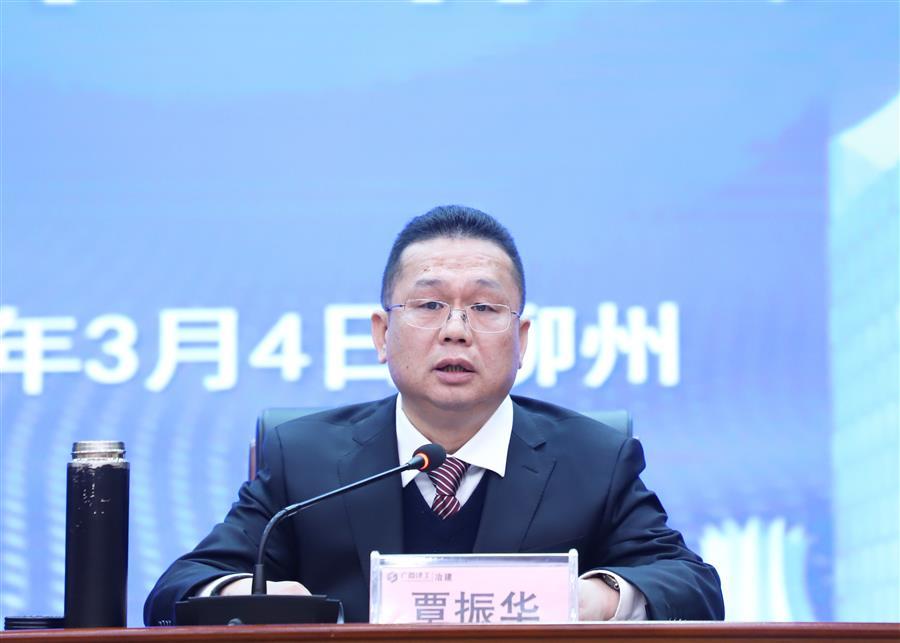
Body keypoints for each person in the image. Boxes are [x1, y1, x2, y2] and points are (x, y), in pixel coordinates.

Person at [145, 205, 724, 625]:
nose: (455, 329)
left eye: (485, 307)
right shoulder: (306, 459)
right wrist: (251, 597)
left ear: (522, 339)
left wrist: (596, 598)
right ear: (382, 333)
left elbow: (694, 588)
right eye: (428, 304)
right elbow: (177, 590)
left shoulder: (592, 459)